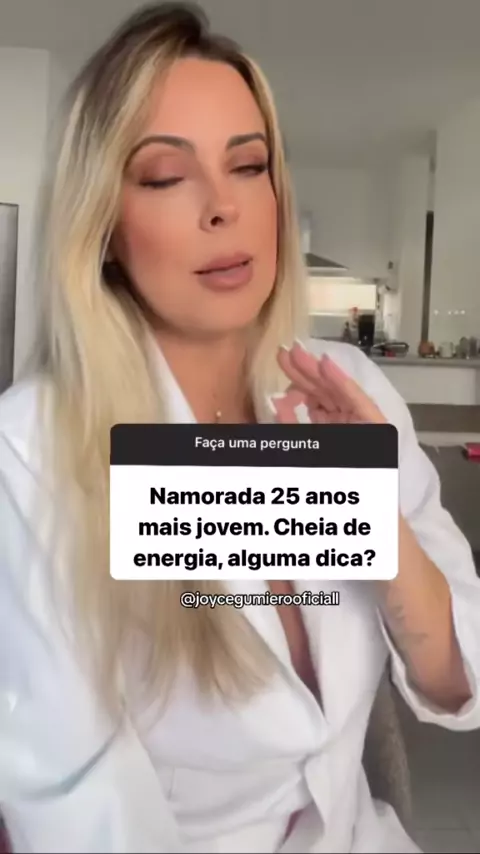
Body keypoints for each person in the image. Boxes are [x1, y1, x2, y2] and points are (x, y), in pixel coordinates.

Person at [0, 3, 479, 852]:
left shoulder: (350, 390)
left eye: (249, 165)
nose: (223, 206)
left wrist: (373, 524)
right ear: (103, 226)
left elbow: (457, 682)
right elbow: (79, 808)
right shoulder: (33, 450)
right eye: (164, 176)